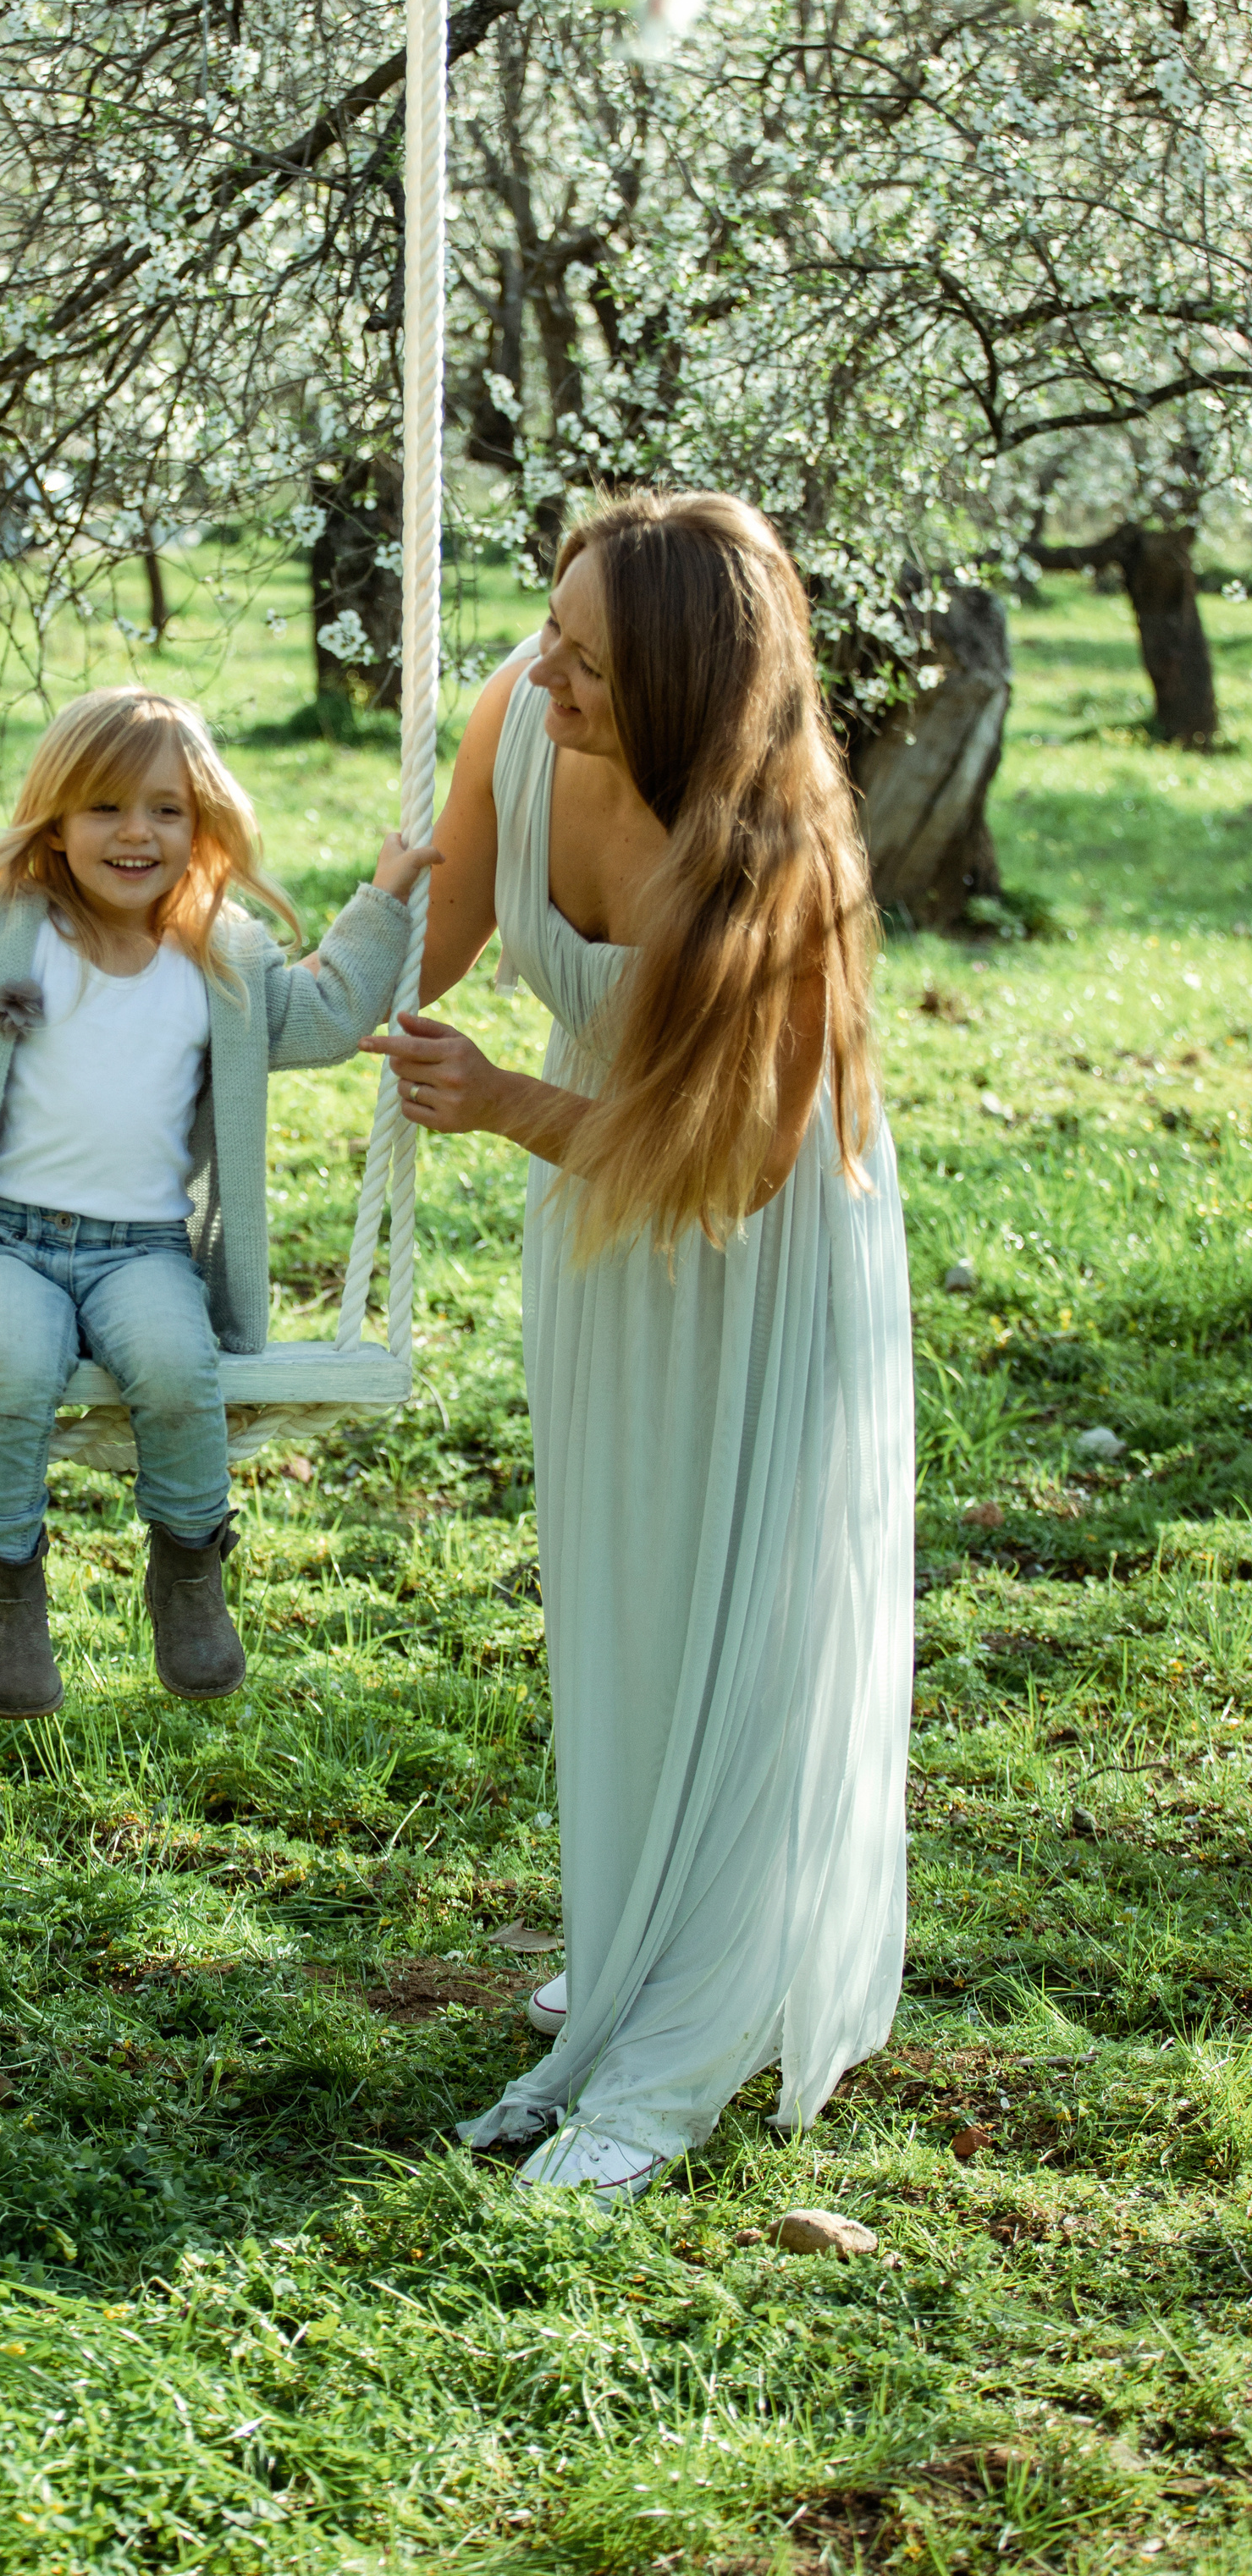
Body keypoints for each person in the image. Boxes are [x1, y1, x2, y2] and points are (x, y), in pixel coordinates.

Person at [363, 491, 913, 2199]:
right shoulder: (513, 726)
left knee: (743, 1620)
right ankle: (630, 1947)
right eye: (547, 627)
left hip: (759, 1272)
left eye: (589, 660)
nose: (546, 674)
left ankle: (684, 2027)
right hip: (598, 1250)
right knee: (620, 1601)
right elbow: (410, 950)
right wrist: (160, 943)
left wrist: (516, 1101)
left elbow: (742, 1162)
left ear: (682, 685)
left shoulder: (774, 843)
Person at [0, 687, 435, 1720]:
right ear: (58, 823)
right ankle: (8, 1593)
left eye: (165, 809)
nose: (136, 833)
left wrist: (384, 901)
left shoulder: (225, 959)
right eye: (105, 809)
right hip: (4, 1241)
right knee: (15, 1369)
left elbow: (334, 1013)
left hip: (142, 1250)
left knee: (177, 1368)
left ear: (201, 822)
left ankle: (189, 1571)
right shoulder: (2, 937)